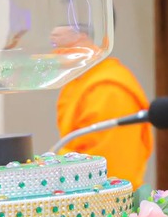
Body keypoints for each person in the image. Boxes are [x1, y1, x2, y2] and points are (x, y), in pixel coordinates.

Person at [54, 28, 153, 187]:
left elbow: (108, 170)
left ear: (84, 37)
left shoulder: (109, 90)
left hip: (106, 202)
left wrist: (55, 162)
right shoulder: (78, 82)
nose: (54, 42)